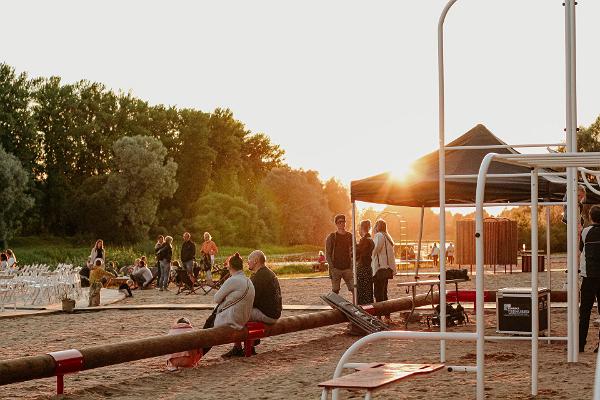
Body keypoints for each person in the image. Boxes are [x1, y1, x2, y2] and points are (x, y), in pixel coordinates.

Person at [222, 250, 282, 357]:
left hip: (268, 315)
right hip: (274, 312)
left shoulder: (259, 277)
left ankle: (239, 348)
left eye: (249, 260)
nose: (247, 262)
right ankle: (251, 343)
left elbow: (250, 300)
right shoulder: (268, 273)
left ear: (255, 261)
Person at [202, 252, 254, 357]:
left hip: (232, 319)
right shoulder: (248, 280)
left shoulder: (233, 280)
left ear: (230, 267)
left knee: (209, 325)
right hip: (244, 318)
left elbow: (216, 298)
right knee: (210, 321)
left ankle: (198, 353)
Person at [578, 205, 600, 353]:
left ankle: (580, 345)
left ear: (591, 217)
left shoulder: (586, 232)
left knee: (584, 312)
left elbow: (580, 249)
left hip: (589, 277)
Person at [371, 219, 395, 322]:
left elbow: (376, 250)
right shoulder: (387, 237)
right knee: (384, 292)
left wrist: (369, 254)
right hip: (387, 268)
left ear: (377, 226)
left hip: (380, 268)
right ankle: (387, 315)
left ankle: (379, 315)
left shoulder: (379, 236)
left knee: (378, 293)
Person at [325, 214, 354, 295]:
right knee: (335, 291)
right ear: (336, 224)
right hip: (336, 269)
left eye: (343, 221)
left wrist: (352, 266)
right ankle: (335, 307)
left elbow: (355, 251)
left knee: (354, 289)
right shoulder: (332, 237)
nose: (342, 223)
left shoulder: (350, 236)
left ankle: (356, 306)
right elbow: (327, 253)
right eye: (339, 222)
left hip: (347, 268)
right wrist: (332, 268)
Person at [356, 220, 375, 305]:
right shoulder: (370, 239)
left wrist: (355, 251)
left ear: (362, 228)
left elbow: (361, 253)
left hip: (362, 267)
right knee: (368, 289)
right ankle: (369, 307)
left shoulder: (364, 240)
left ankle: (363, 308)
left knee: (362, 290)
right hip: (368, 266)